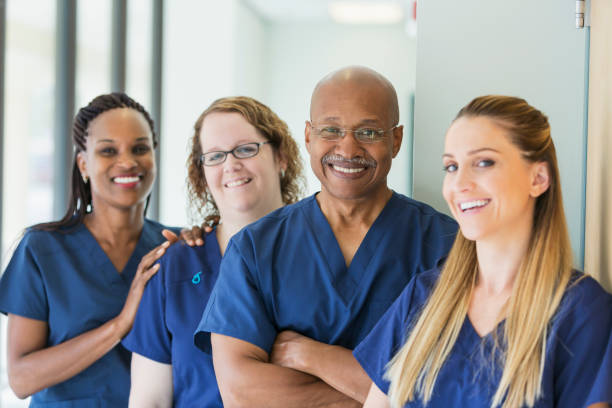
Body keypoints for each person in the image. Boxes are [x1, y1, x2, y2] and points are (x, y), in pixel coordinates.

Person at [194, 66, 458, 406]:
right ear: (308, 136)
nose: (347, 149)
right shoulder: (255, 249)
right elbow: (241, 392)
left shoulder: (445, 245)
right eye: (331, 129)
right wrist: (380, 399)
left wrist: (309, 355)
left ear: (395, 140)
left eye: (369, 132)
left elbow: (449, 388)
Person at [355, 95, 612, 408]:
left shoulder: (580, 310)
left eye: (484, 163)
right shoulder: (421, 298)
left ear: (538, 178)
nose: (459, 183)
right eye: (451, 166)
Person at [122, 96, 305, 407]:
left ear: (281, 156)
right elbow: (149, 399)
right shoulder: (172, 268)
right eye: (215, 156)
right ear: (203, 173)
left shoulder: (323, 255)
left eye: (246, 149)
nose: (231, 165)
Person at [0, 93, 180, 406]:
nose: (127, 161)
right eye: (108, 150)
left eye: (140, 148)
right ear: (84, 163)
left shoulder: (174, 248)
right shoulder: (42, 250)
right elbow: (20, 379)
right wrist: (121, 324)